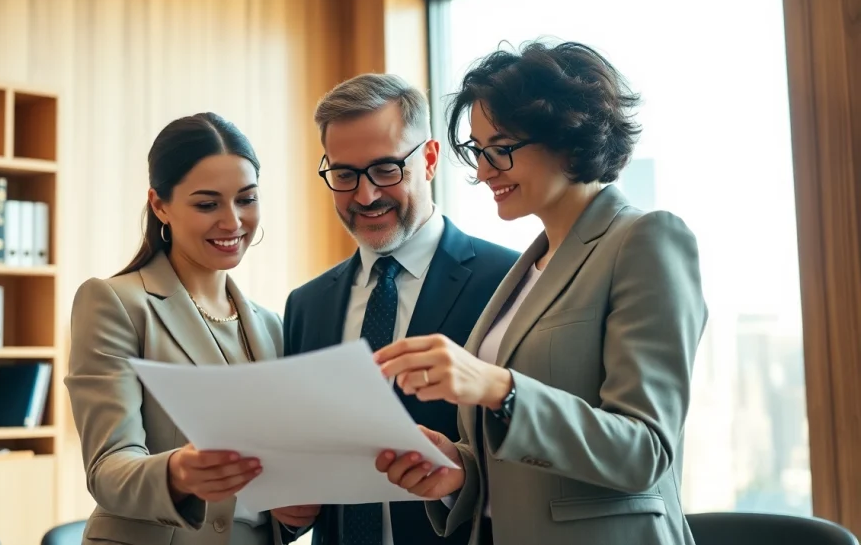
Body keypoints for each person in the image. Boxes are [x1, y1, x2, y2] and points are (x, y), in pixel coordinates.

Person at [372, 41, 708, 545]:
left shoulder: (644, 239)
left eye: (501, 148)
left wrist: (498, 388)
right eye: (477, 151)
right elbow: (533, 456)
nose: (484, 171)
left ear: (567, 137)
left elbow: (645, 450)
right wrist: (461, 472)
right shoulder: (526, 269)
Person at [275, 73, 520, 545]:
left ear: (428, 160)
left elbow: (533, 459)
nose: (365, 196)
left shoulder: (509, 282)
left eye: (386, 169)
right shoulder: (306, 305)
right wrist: (291, 513)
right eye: (344, 175)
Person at [65, 113, 288, 545]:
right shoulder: (115, 303)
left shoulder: (273, 327)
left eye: (246, 199)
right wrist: (177, 473)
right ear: (160, 204)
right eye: (207, 204)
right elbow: (107, 468)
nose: (232, 221)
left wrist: (296, 511)